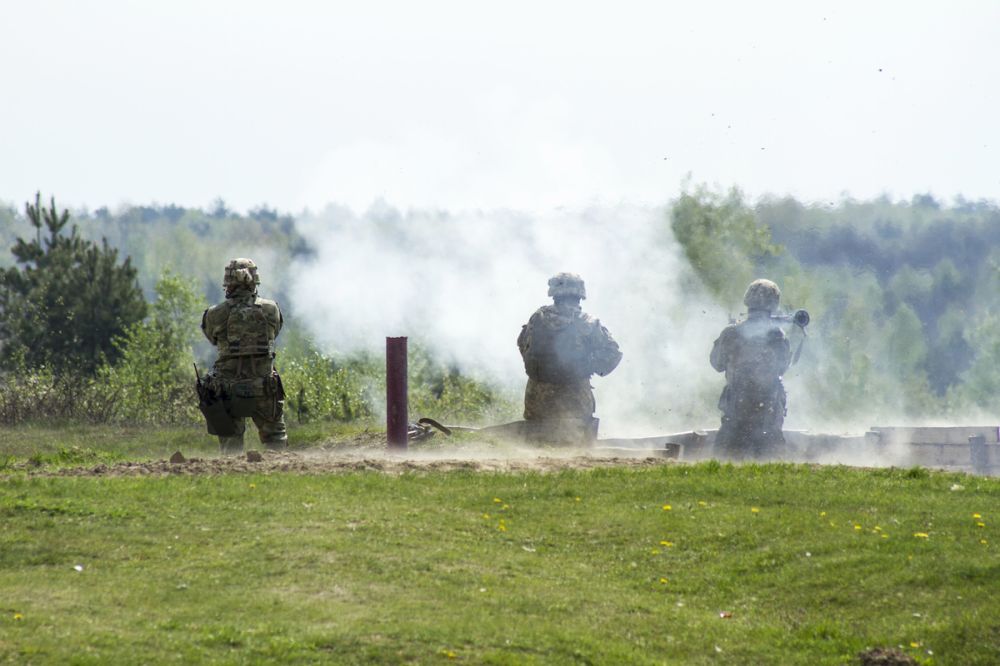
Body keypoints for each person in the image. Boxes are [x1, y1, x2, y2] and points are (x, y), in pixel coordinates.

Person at [517, 273, 622, 442]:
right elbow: (612, 355)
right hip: (574, 399)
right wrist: (586, 367)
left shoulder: (537, 318)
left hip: (537, 398)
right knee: (578, 446)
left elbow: (523, 345)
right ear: (580, 295)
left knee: (535, 443)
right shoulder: (588, 323)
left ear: (554, 293)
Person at [200, 258, 287, 454]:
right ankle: (283, 476)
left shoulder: (215, 314)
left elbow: (212, 338)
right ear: (255, 281)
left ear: (227, 284)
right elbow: (276, 332)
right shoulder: (271, 309)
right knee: (276, 442)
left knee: (231, 449)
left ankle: (233, 478)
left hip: (228, 390)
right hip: (264, 388)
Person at [710, 278, 791, 460]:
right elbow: (782, 367)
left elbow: (716, 363)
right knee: (775, 468)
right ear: (774, 304)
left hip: (735, 415)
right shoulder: (778, 337)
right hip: (767, 418)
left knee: (723, 463)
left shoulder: (731, 333)